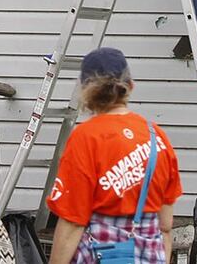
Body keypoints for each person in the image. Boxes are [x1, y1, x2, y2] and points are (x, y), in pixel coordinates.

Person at [46, 48, 181, 264]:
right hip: (149, 254)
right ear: (130, 86)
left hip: (99, 251)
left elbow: (73, 223)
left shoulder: (85, 137)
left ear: (85, 91)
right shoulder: (157, 136)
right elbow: (165, 225)